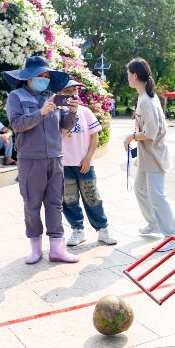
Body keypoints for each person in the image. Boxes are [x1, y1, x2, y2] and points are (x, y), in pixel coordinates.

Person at [5, 55, 80, 264]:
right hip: (31, 160)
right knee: (32, 204)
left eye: (47, 75)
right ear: (28, 77)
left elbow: (65, 124)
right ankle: (35, 248)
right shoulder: (16, 97)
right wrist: (40, 112)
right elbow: (17, 124)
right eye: (40, 75)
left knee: (55, 204)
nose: (44, 79)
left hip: (55, 158)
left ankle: (57, 249)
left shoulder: (53, 96)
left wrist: (73, 111)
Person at [123, 57, 175, 253]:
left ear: (135, 75)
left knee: (157, 197)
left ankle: (172, 237)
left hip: (155, 156)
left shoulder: (147, 101)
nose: (127, 78)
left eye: (128, 74)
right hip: (147, 157)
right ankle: (154, 223)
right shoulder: (144, 98)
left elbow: (151, 133)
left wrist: (131, 136)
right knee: (139, 188)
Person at [57, 80, 118, 247]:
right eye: (68, 91)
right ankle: (78, 229)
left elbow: (94, 136)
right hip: (64, 165)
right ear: (60, 94)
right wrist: (69, 111)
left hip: (84, 164)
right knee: (69, 199)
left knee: (92, 197)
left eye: (75, 91)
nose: (73, 94)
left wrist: (88, 158)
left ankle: (102, 229)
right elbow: (59, 135)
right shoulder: (57, 113)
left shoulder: (86, 112)